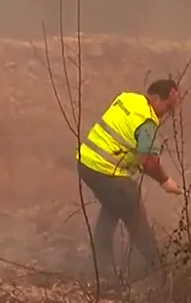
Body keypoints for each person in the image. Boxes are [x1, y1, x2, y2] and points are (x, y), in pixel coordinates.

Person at [76, 79, 183, 285]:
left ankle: (102, 269)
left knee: (111, 210)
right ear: (157, 97)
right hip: (106, 170)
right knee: (135, 216)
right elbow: (148, 162)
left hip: (86, 162)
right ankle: (157, 269)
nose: (168, 112)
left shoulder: (128, 99)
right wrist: (165, 181)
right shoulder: (147, 121)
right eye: (168, 106)